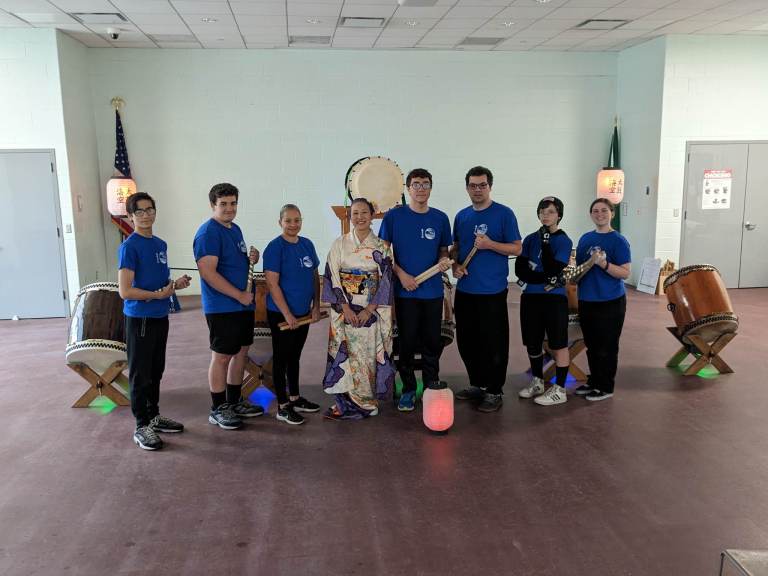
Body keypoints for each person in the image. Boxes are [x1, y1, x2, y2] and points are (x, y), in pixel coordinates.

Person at [118, 192, 191, 451]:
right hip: (140, 319)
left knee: (156, 370)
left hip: (160, 316)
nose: (147, 215)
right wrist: (156, 295)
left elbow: (158, 284)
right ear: (130, 216)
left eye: (150, 209)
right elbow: (125, 291)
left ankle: (154, 416)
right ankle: (141, 426)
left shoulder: (160, 244)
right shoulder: (130, 246)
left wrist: (174, 286)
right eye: (140, 211)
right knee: (140, 374)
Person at [379, 168, 452, 412]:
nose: (421, 188)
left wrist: (443, 260)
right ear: (407, 189)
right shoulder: (394, 218)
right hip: (405, 292)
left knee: (432, 342)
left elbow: (443, 250)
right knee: (407, 343)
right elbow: (383, 253)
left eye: (425, 184)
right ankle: (409, 389)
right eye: (416, 184)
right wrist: (402, 275)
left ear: (431, 188)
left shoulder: (440, 218)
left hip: (432, 292)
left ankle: (431, 386)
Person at [193, 183, 264, 430]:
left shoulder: (235, 229)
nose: (229, 208)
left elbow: (233, 262)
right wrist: (238, 295)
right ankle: (218, 408)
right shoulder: (208, 233)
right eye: (223, 204)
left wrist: (250, 259)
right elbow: (208, 273)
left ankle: (234, 402)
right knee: (222, 357)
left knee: (241, 353)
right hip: (222, 306)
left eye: (233, 203)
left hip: (241, 306)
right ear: (213, 205)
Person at [451, 166, 522, 412]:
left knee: (494, 343)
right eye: (473, 185)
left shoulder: (504, 214)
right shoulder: (461, 216)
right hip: (465, 290)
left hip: (492, 291)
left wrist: (491, 244)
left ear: (490, 186)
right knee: (467, 342)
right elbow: (456, 248)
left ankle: (494, 390)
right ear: (467, 187)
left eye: (482, 185)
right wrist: (456, 266)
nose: (477, 189)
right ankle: (478, 384)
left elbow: (516, 248)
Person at [322, 197, 395, 419]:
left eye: (364, 212)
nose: (360, 217)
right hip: (345, 309)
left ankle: (367, 401)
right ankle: (347, 402)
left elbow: (386, 280)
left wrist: (368, 309)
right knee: (346, 354)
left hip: (370, 310)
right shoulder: (339, 244)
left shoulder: (382, 246)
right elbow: (332, 276)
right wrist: (345, 308)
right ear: (349, 216)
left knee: (367, 354)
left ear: (372, 215)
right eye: (355, 213)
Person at [263, 204, 322, 426]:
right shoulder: (274, 248)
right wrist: (287, 313)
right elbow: (272, 284)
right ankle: (282, 406)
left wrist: (315, 306)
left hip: (303, 313)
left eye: (297, 220)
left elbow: (315, 278)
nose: (293, 224)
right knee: (281, 359)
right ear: (280, 222)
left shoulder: (307, 245)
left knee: (294, 357)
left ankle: (295, 398)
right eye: (288, 220)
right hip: (281, 314)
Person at [515, 197, 573, 406]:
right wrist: (546, 278)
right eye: (542, 211)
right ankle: (538, 381)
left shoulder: (564, 241)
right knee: (532, 341)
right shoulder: (530, 239)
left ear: (559, 215)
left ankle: (560, 389)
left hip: (554, 299)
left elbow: (553, 269)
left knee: (558, 343)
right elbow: (519, 270)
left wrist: (547, 242)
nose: (546, 215)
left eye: (550, 211)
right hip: (531, 296)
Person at [573, 198, 631, 401]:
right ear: (591, 215)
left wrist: (603, 264)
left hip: (611, 301)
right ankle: (594, 380)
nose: (600, 214)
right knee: (592, 344)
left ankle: (606, 386)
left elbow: (625, 273)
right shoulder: (585, 239)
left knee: (607, 345)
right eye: (595, 211)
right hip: (587, 299)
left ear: (612, 214)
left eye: (604, 210)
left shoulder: (618, 241)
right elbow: (578, 270)